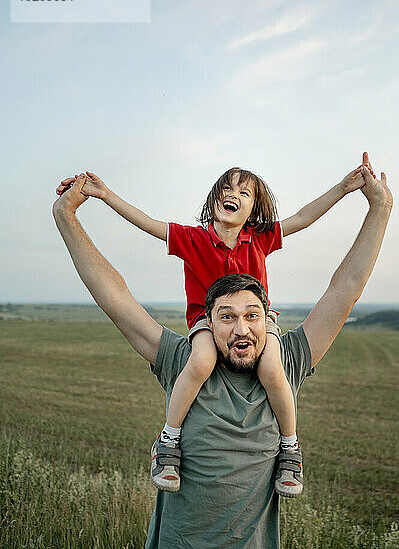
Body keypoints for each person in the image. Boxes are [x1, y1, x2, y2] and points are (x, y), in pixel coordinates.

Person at [53, 159, 392, 548]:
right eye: (226, 316)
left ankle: (291, 450)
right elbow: (113, 296)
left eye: (252, 315)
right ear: (209, 322)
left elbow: (345, 287)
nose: (242, 328)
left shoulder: (286, 361)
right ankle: (168, 443)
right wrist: (67, 215)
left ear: (267, 317)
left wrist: (379, 208)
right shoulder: (183, 362)